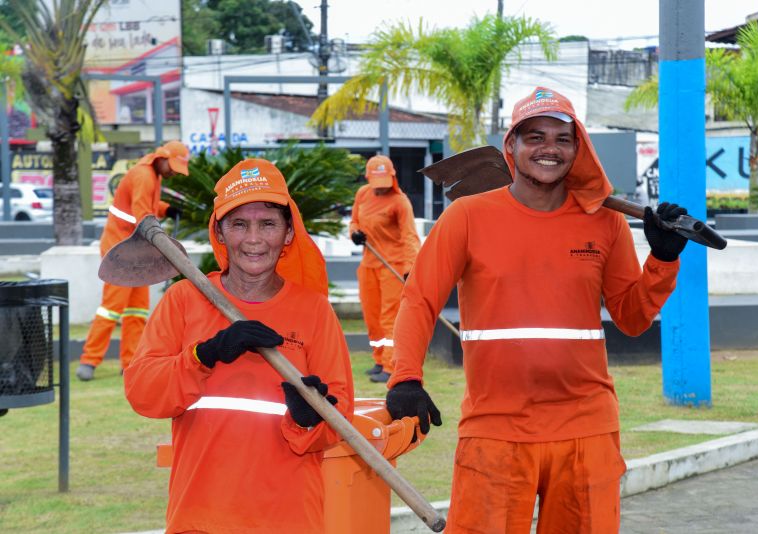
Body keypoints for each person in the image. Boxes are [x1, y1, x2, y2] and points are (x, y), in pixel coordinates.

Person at [385, 87, 689, 533]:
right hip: (496, 426)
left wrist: (661, 260)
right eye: (535, 137)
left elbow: (632, 316)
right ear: (511, 146)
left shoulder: (605, 222)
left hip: (587, 427)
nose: (549, 148)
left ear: (577, 147)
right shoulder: (468, 216)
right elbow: (419, 299)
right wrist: (406, 377)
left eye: (562, 139)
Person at [124, 158, 355, 533]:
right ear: (219, 231)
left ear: (288, 234)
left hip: (289, 519)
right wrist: (205, 355)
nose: (253, 239)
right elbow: (143, 394)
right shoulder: (184, 300)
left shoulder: (313, 311)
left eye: (268, 224)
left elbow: (341, 418)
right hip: (199, 518)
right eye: (239, 224)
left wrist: (310, 417)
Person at [76, 140, 190, 381]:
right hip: (120, 252)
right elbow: (141, 213)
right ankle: (89, 361)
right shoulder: (144, 176)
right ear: (162, 157)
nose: (172, 173)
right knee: (111, 309)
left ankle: (130, 362)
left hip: (134, 251)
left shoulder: (151, 175)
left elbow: (146, 205)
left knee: (137, 310)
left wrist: (166, 209)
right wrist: (160, 238)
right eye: (173, 167)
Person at [349, 155, 420, 383]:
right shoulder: (362, 194)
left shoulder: (400, 202)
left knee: (389, 317)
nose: (380, 189)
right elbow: (354, 222)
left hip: (393, 266)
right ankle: (379, 360)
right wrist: (355, 234)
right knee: (372, 318)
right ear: (368, 178)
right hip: (369, 264)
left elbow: (410, 237)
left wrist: (411, 268)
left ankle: (391, 366)